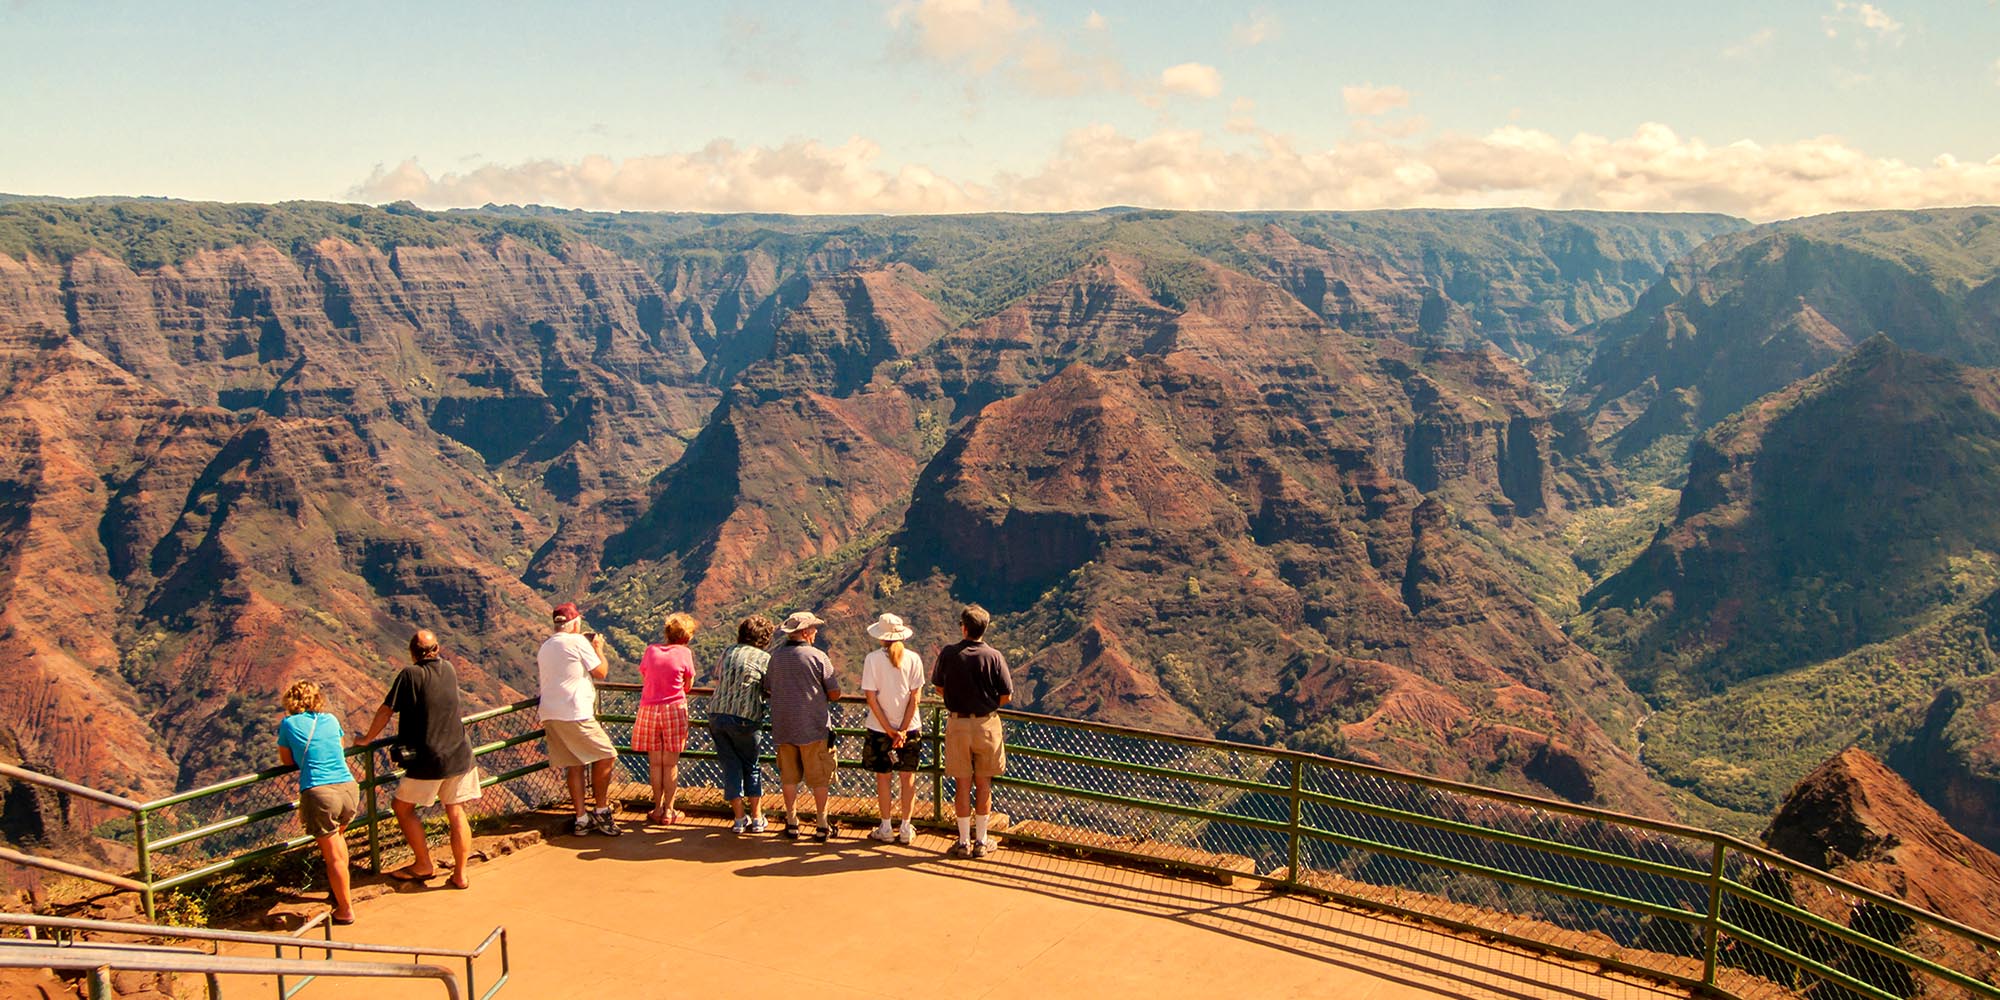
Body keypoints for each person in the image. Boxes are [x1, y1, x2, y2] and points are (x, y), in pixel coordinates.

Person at [358, 630, 478, 889]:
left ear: (413, 653)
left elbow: (386, 710)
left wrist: (367, 738)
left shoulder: (410, 675)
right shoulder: (449, 669)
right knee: (456, 811)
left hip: (429, 758)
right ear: (437, 649)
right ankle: (460, 874)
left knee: (402, 808)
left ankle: (423, 864)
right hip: (460, 754)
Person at [931, 604, 1013, 858]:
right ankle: (982, 841)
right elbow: (1006, 695)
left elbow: (938, 687)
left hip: (958, 724)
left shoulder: (948, 654)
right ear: (983, 628)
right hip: (986, 724)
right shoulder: (994, 656)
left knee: (962, 784)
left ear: (964, 628)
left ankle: (963, 841)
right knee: (984, 782)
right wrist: (986, 706)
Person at [277, 680, 359, 923]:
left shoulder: (288, 724)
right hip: (348, 787)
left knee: (332, 855)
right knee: (339, 840)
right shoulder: (331, 720)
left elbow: (287, 761)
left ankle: (345, 909)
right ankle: (339, 894)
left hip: (320, 792)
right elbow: (339, 747)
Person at [536, 602, 621, 837]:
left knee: (575, 764)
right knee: (606, 755)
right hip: (575, 713)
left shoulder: (546, 646)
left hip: (551, 713)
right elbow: (601, 672)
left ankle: (581, 818)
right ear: (575, 623)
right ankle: (602, 811)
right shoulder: (578, 642)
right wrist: (598, 649)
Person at [760, 611, 842, 842]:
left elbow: (768, 688)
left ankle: (792, 822)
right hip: (813, 727)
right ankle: (822, 824)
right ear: (805, 633)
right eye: (814, 629)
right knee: (819, 779)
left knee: (789, 777)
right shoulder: (818, 657)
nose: (816, 633)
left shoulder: (775, 657)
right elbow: (834, 693)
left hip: (784, 726)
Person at [860, 613, 924, 845]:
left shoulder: (872, 660)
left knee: (883, 778)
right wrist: (903, 730)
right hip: (911, 729)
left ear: (881, 636)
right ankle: (906, 828)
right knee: (908, 778)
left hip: (879, 730)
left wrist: (888, 729)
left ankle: (885, 827)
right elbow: (915, 698)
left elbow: (871, 697)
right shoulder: (914, 659)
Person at [709, 615, 775, 834]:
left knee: (730, 766)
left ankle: (739, 818)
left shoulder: (729, 651)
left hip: (718, 713)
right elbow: (769, 687)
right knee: (751, 765)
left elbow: (716, 675)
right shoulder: (764, 658)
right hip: (746, 717)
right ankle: (757, 817)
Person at [634, 613, 698, 825]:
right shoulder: (685, 653)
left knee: (655, 764)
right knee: (670, 764)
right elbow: (688, 685)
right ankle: (670, 811)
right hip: (674, 709)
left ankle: (657, 808)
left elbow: (646, 675)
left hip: (649, 709)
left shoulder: (651, 650)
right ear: (686, 636)